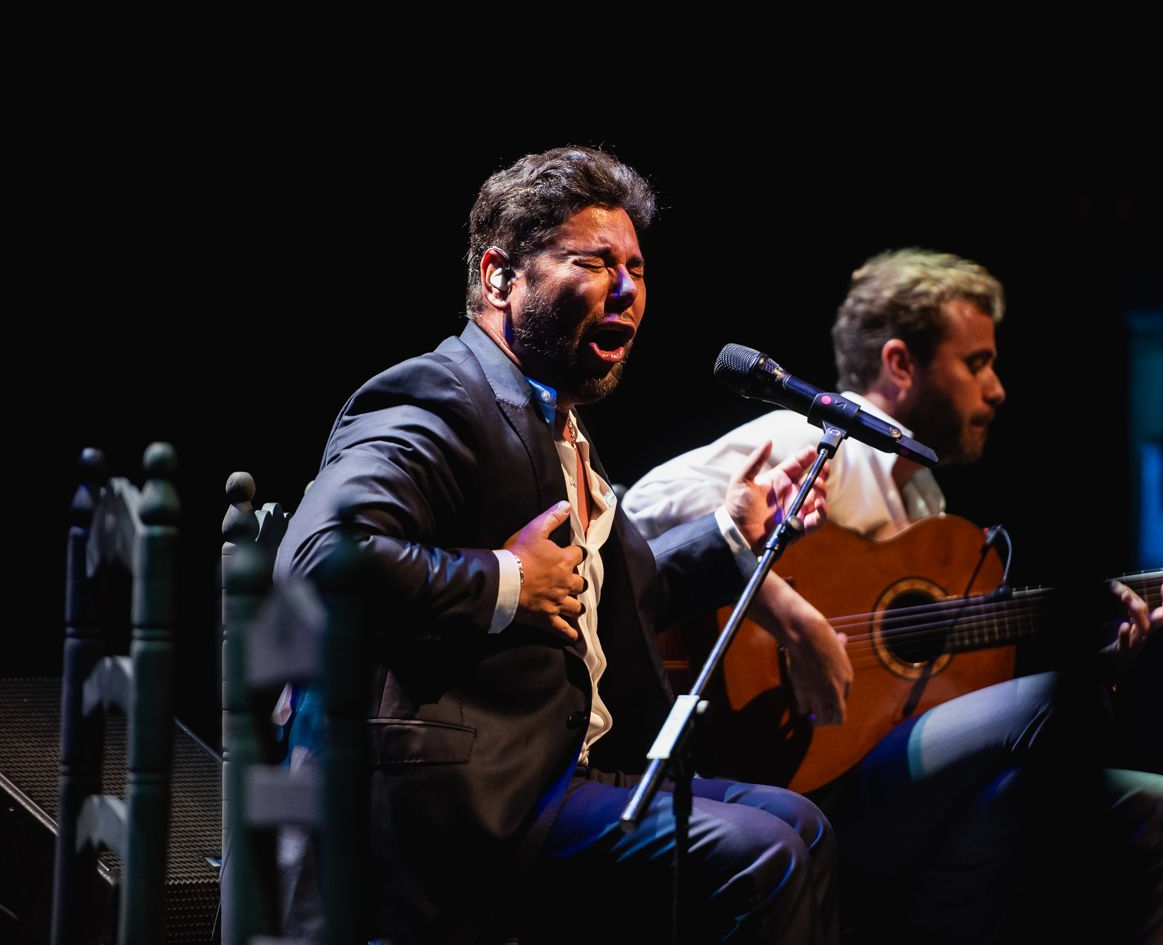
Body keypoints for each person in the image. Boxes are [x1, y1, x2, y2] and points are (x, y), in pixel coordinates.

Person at [275, 146, 840, 945]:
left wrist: (729, 534)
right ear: (502, 275)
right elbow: (318, 560)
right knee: (762, 854)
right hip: (454, 804)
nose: (628, 290)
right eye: (595, 261)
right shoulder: (439, 396)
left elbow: (601, 591)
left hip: (548, 780)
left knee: (801, 824)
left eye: (637, 269)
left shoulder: (560, 429)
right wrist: (506, 580)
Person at [625, 249, 1163, 943]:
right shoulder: (813, 437)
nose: (997, 390)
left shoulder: (927, 509)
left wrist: (1104, 653)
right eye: (977, 363)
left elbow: (938, 695)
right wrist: (794, 619)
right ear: (900, 364)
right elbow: (645, 507)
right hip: (800, 774)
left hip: (891, 783)